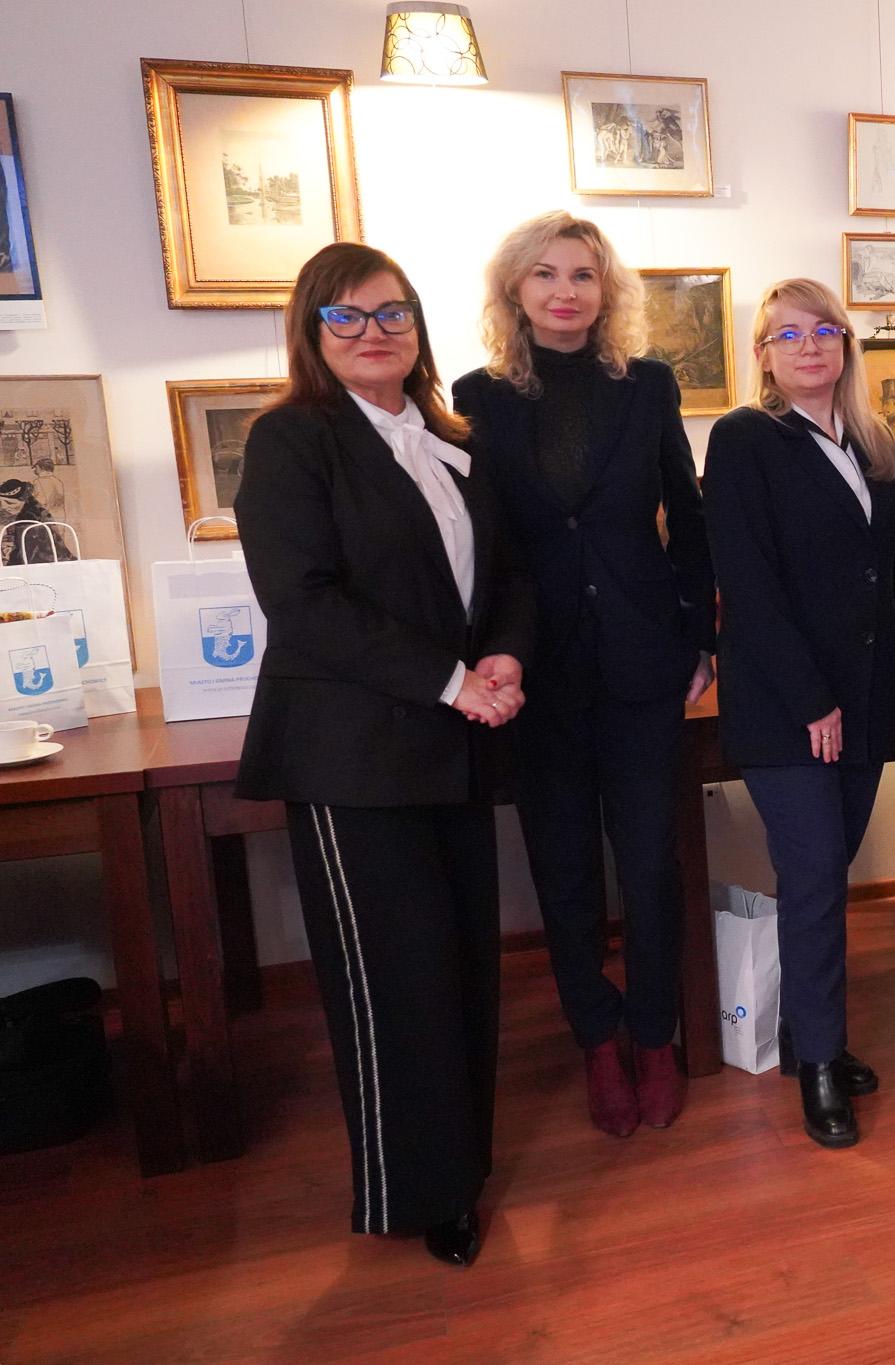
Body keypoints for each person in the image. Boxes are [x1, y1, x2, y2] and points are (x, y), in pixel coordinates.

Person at [235, 242, 535, 1268]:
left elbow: (508, 575)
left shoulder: (451, 440)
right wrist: (453, 681)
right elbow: (302, 604)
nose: (375, 332)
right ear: (312, 331)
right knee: (391, 985)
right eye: (349, 316)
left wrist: (505, 653)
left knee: (461, 969)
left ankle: (463, 1168)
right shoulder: (292, 440)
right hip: (352, 757)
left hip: (453, 746)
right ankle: (419, 1192)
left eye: (393, 312)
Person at [453, 212, 715, 1140]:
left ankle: (654, 1034)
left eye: (583, 275)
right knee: (563, 870)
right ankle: (596, 1039)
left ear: (607, 293)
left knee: (649, 865)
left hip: (644, 660)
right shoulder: (476, 396)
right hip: (538, 670)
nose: (565, 291)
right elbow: (482, 542)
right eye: (545, 274)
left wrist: (699, 635)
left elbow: (687, 516)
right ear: (515, 290)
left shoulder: (647, 385)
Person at [702, 278, 895, 1148]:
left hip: (866, 700)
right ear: (762, 355)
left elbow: (892, 573)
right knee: (817, 875)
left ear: (846, 345)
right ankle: (823, 1066)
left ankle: (806, 1033)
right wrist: (811, 701)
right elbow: (748, 586)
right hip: (789, 707)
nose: (809, 346)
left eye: (824, 330)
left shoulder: (871, 441)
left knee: (828, 871)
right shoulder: (744, 439)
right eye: (787, 335)